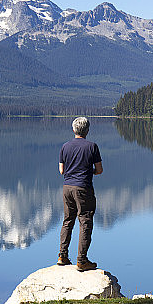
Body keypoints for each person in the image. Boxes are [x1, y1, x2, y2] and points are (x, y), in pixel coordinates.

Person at [58, 116, 103, 271]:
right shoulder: (92, 146)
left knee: (67, 220)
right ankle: (81, 261)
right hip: (83, 188)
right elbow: (99, 170)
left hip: (67, 187)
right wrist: (88, 171)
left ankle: (62, 256)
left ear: (73, 130)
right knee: (85, 221)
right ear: (87, 130)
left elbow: (62, 170)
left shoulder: (65, 146)